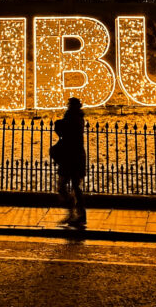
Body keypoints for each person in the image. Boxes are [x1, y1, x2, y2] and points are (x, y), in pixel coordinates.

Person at [52, 97, 87, 228]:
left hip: (71, 157)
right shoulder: (78, 118)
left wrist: (59, 123)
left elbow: (62, 130)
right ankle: (76, 214)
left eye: (69, 105)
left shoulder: (73, 118)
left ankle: (75, 213)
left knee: (66, 187)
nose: (67, 106)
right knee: (74, 187)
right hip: (75, 157)